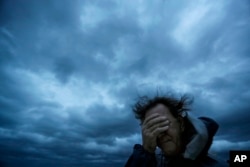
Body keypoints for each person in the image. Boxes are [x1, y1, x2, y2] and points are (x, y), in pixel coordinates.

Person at [125, 94, 227, 167]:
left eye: (163, 123)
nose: (160, 133)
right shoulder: (153, 162)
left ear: (181, 124)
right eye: (152, 128)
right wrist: (145, 152)